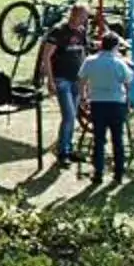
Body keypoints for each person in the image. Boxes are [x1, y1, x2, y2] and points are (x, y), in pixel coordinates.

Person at [81, 31, 134, 182]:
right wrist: (129, 100)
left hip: (97, 103)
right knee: (117, 139)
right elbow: (128, 81)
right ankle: (119, 172)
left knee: (99, 139)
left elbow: (83, 80)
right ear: (115, 47)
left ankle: (98, 172)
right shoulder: (119, 63)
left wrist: (84, 97)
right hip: (117, 103)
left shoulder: (90, 61)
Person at [42, 10, 86, 163]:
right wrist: (50, 79)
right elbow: (46, 55)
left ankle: (67, 146)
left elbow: (82, 54)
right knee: (68, 115)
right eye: (83, 16)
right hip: (61, 78)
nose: (85, 19)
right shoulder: (58, 31)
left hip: (76, 79)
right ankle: (63, 151)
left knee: (72, 115)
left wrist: (84, 79)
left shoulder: (82, 32)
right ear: (75, 15)